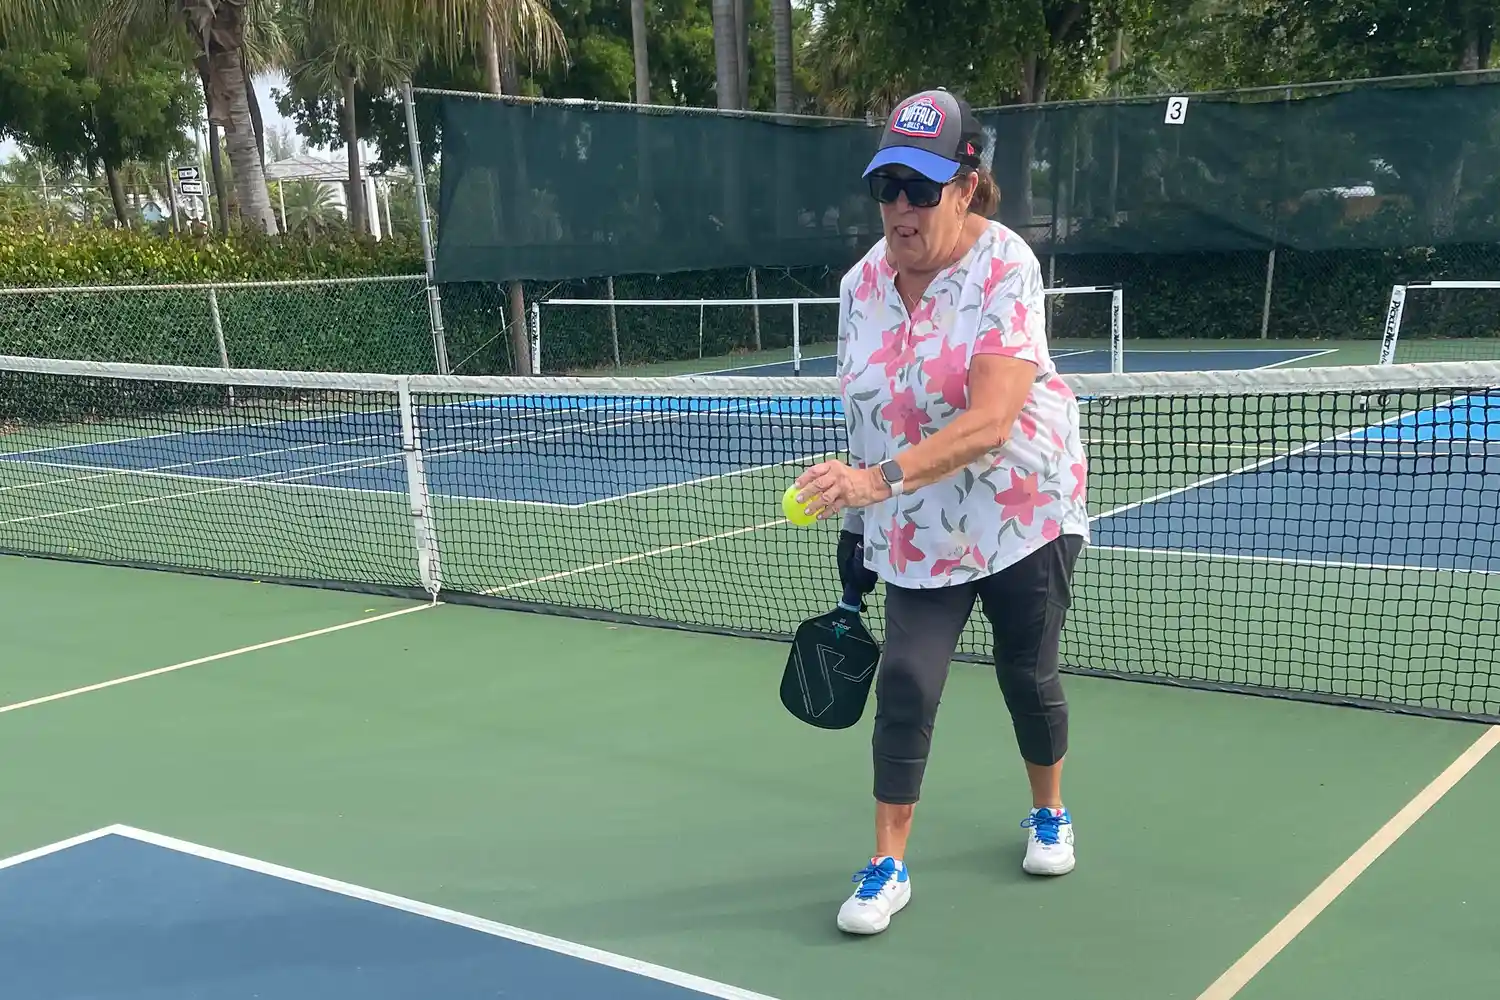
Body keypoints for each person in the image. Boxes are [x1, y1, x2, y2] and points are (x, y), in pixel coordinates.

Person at [793, 88, 1091, 937]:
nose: (899, 207)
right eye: (886, 186)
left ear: (965, 185)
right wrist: (856, 529)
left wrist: (874, 484)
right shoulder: (859, 287)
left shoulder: (1006, 266)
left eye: (919, 189)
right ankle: (888, 865)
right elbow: (866, 414)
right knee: (907, 681)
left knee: (1025, 676)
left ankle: (1050, 810)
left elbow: (992, 422)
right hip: (916, 519)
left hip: (1022, 506)